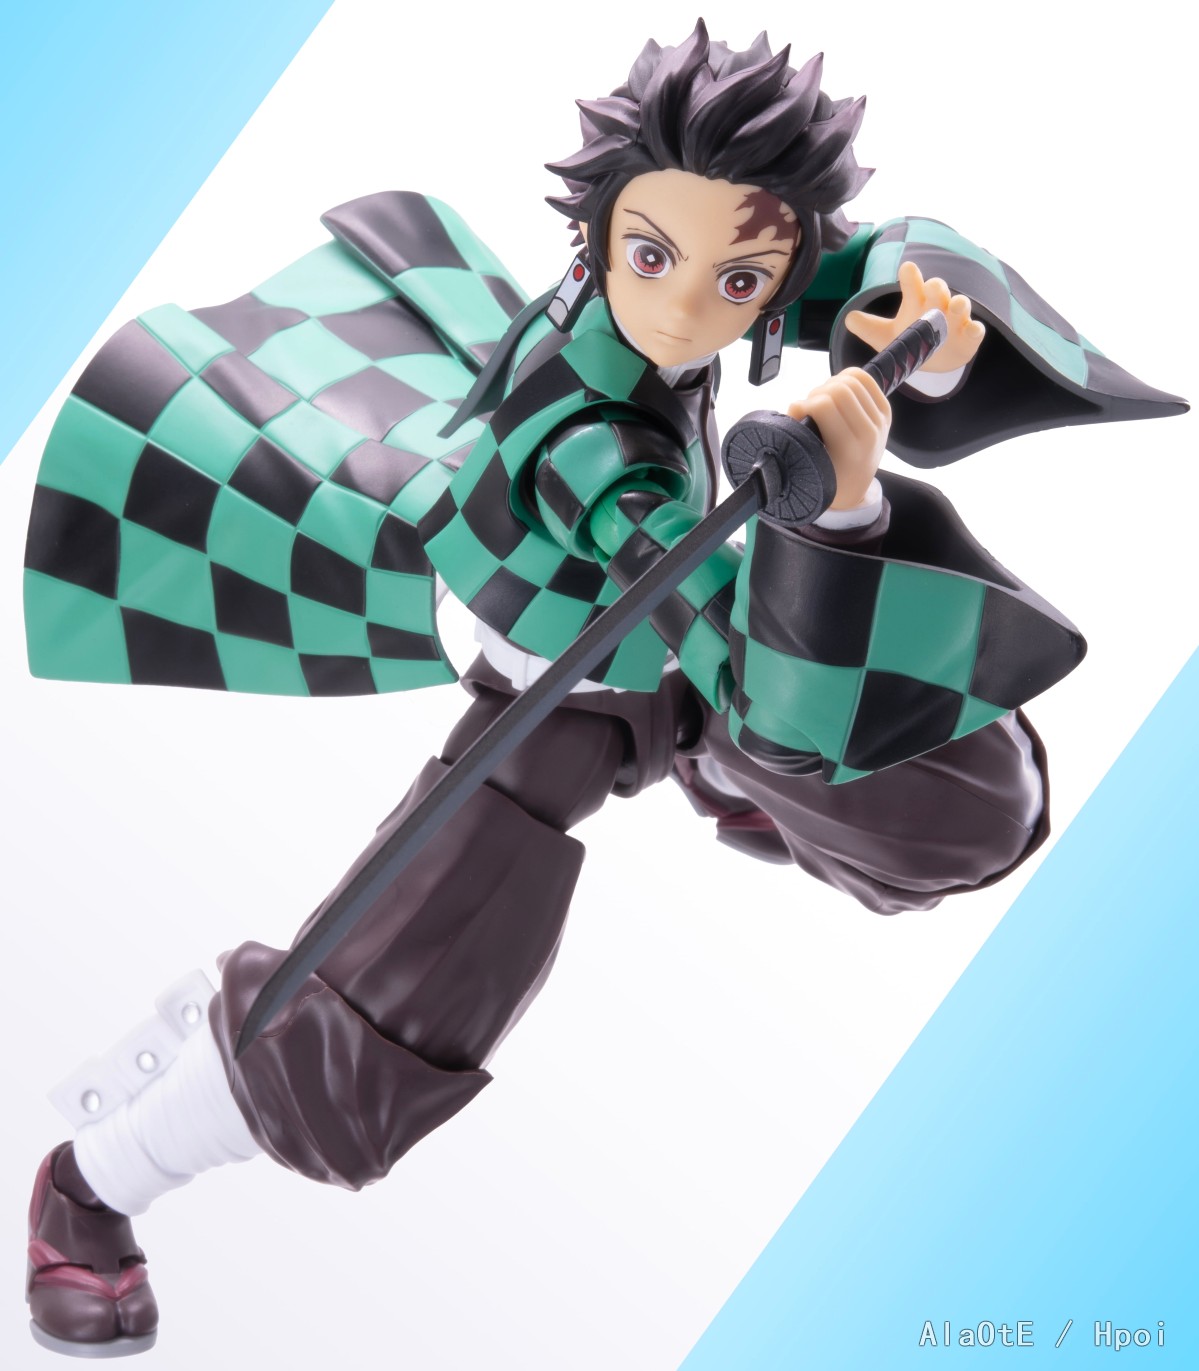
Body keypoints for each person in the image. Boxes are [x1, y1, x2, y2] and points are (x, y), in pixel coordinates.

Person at [21, 22, 1184, 1357]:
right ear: (597, 236)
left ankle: (735, 771)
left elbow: (854, 262)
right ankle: (92, 1186)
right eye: (650, 260)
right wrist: (841, 515)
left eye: (737, 279)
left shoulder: (718, 251)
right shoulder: (593, 449)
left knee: (967, 796)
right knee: (381, 1012)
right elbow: (738, 657)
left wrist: (920, 330)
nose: (687, 310)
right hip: (570, 661)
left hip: (685, 641)